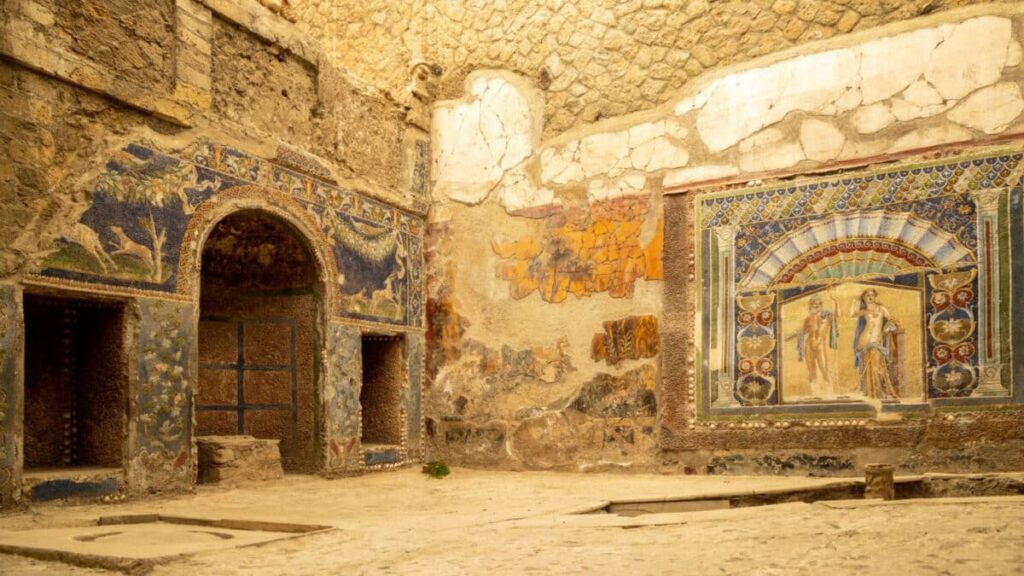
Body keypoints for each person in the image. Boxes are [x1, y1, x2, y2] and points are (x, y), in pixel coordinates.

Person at [849, 288, 901, 400]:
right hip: (865, 339)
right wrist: (855, 300)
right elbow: (852, 314)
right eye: (867, 295)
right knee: (869, 367)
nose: (870, 297)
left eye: (872, 295)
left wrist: (889, 327)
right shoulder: (864, 311)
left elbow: (891, 319)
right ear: (864, 297)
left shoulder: (881, 308)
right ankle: (873, 392)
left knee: (877, 366)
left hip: (877, 339)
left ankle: (878, 391)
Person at [785, 294, 838, 396]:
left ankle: (830, 392)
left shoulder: (826, 316)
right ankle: (815, 392)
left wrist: (836, 303)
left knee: (823, 367)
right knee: (811, 369)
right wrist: (789, 336)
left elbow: (836, 316)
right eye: (814, 303)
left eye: (818, 303)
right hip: (809, 344)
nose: (816, 305)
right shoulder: (808, 319)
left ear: (821, 305)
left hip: (819, 344)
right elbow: (802, 331)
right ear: (811, 305)